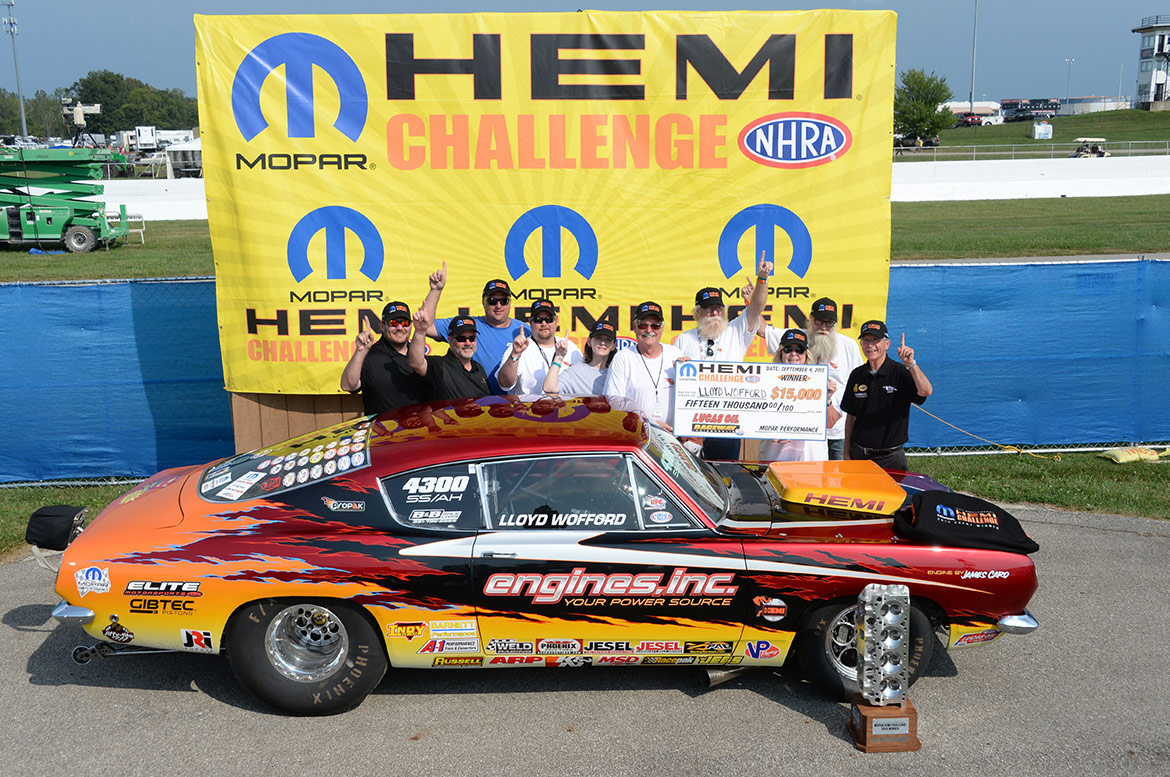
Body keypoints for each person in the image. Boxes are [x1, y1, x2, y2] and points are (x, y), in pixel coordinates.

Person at [672, 258, 773, 460]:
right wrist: (678, 366)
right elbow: (674, 382)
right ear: (698, 312)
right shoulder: (684, 339)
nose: (715, 313)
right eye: (709, 309)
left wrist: (762, 279)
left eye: (718, 308)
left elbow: (756, 307)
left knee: (725, 477)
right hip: (693, 423)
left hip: (727, 423)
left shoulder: (736, 331)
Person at [758, 296, 863, 460]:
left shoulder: (849, 346)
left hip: (836, 430)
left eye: (829, 323)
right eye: (819, 321)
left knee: (835, 479)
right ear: (811, 319)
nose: (823, 327)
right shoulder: (797, 337)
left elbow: (857, 388)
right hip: (792, 439)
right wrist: (753, 299)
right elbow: (762, 329)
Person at [339, 264, 446, 415]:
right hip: (383, 434)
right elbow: (348, 385)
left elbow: (425, 322)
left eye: (405, 323)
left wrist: (435, 290)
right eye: (394, 323)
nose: (400, 328)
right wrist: (360, 351)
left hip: (419, 433)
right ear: (382, 326)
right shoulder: (371, 355)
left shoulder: (416, 355)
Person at [841, 321, 932, 470]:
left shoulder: (901, 372)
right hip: (860, 455)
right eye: (866, 341)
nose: (870, 345)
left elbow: (926, 391)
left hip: (892, 458)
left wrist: (911, 364)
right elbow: (851, 417)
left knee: (897, 494)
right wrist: (846, 453)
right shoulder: (857, 375)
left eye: (875, 340)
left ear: (887, 344)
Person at [429, 279, 530, 393]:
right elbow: (426, 326)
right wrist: (435, 290)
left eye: (504, 301)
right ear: (483, 302)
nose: (498, 305)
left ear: (510, 302)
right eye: (492, 301)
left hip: (513, 404)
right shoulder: (468, 324)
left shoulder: (524, 330)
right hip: (477, 403)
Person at [758, 329, 839, 462]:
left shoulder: (820, 381)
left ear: (806, 355)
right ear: (780, 353)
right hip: (774, 461)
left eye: (799, 350)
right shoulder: (766, 381)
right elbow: (753, 419)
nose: (793, 354)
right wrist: (767, 430)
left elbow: (830, 423)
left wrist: (827, 399)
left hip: (812, 463)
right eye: (788, 349)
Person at [604, 301, 683, 430]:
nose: (649, 330)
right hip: (638, 434)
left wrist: (690, 375)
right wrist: (650, 422)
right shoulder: (623, 358)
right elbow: (614, 402)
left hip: (674, 437)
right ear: (635, 327)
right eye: (643, 325)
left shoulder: (675, 354)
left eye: (655, 326)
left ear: (662, 328)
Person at [496, 299, 582, 395]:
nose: (544, 324)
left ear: (556, 320)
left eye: (549, 319)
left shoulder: (570, 346)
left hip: (563, 408)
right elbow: (504, 384)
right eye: (538, 320)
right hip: (528, 408)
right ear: (530, 322)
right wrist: (515, 354)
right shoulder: (519, 348)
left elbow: (582, 380)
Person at [409, 306, 490, 401]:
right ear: (450, 340)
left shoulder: (479, 369)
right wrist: (420, 332)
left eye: (472, 338)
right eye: (461, 339)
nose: (468, 343)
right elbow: (417, 363)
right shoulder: (439, 366)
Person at [543, 321, 618, 397]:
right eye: (598, 338)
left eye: (608, 340)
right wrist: (559, 356)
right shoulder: (576, 372)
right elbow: (549, 389)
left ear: (613, 346)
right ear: (589, 342)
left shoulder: (617, 372)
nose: (602, 343)